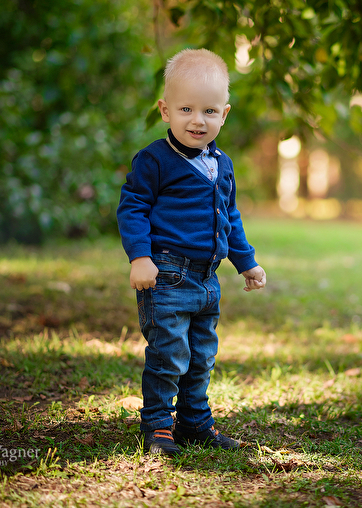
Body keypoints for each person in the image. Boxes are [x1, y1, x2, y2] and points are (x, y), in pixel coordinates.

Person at [117, 48, 266, 455]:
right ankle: (158, 426)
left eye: (209, 111)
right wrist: (140, 257)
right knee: (169, 354)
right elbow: (132, 207)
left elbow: (229, 216)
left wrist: (246, 262)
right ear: (165, 110)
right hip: (166, 274)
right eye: (186, 109)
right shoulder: (155, 160)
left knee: (201, 355)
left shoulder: (222, 164)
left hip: (206, 278)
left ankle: (195, 422)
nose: (197, 120)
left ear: (224, 114)